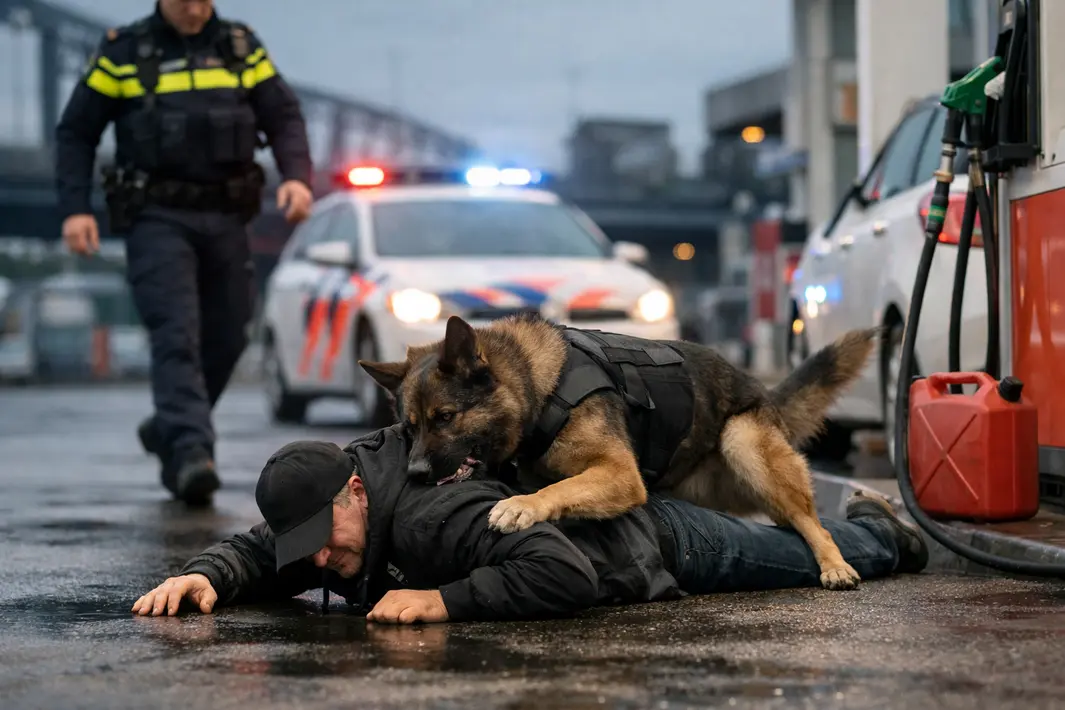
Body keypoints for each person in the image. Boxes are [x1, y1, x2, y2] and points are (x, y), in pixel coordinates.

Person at [132, 426, 929, 622]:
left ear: (353, 493)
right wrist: (209, 575)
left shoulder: (431, 515)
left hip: (662, 543)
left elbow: (565, 574)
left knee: (796, 562)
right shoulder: (340, 517)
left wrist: (442, 601)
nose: (322, 557)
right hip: (635, 537)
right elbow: (265, 547)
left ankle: (877, 528)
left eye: (325, 536)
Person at [55, 0, 314, 506]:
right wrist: (73, 208)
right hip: (157, 217)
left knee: (232, 332)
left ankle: (169, 427)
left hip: (226, 216)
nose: (195, 9)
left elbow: (283, 116)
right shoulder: (124, 53)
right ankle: (193, 453)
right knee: (176, 332)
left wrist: (299, 177)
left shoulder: (240, 47)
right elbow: (76, 132)